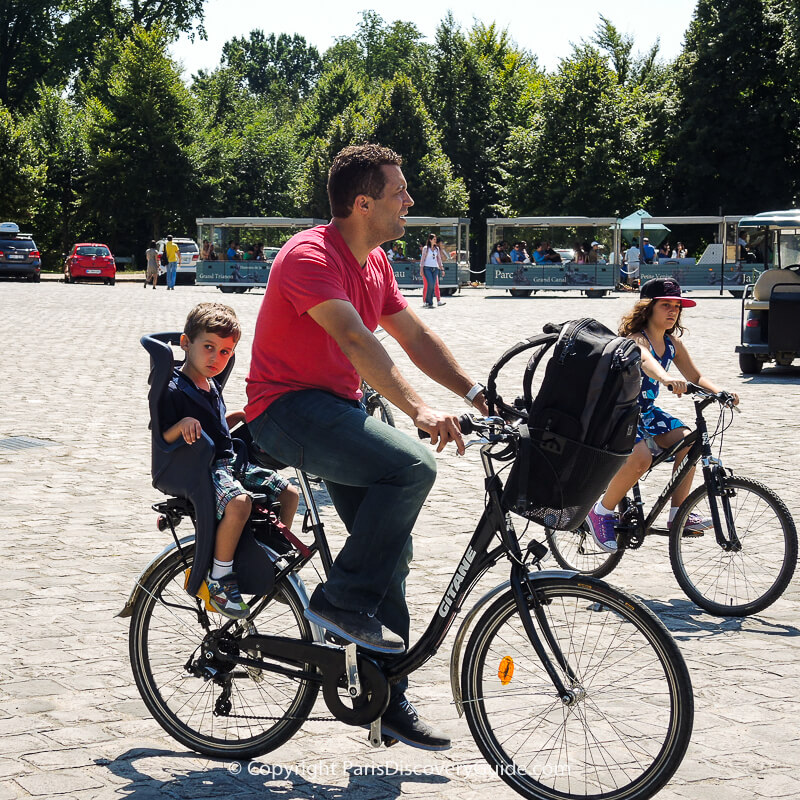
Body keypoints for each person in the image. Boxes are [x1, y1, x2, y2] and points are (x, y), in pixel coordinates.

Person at [245, 143, 489, 750]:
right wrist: (419, 410)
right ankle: (340, 599)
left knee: (392, 553)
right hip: (285, 410)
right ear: (362, 203)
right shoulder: (309, 255)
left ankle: (386, 696)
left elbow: (413, 335)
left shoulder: (375, 262)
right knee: (412, 466)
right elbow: (357, 341)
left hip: (336, 410)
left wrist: (475, 391)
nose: (409, 201)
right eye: (398, 192)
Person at [160, 302, 300, 618]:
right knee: (239, 503)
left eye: (225, 352)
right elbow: (162, 434)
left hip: (230, 461)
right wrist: (179, 427)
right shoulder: (174, 388)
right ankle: (219, 577)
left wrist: (241, 415)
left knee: (289, 492)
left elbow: (218, 425)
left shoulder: (210, 385)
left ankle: (271, 555)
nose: (216, 358)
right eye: (208, 347)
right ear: (186, 344)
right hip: (200, 469)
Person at [585, 279, 739, 552]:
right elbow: (646, 360)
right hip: (618, 413)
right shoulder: (635, 339)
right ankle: (601, 510)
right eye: (665, 305)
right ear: (648, 308)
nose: (673, 311)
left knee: (689, 442)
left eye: (677, 306)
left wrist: (720, 391)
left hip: (646, 412)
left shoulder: (672, 343)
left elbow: (696, 376)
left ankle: (679, 514)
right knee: (640, 458)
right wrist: (666, 378)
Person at [420, 233, 445, 308]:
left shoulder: (437, 249)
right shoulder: (425, 248)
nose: (435, 241)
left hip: (435, 268)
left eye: (435, 239)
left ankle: (430, 302)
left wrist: (442, 269)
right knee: (430, 284)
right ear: (430, 240)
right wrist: (421, 269)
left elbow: (439, 259)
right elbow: (422, 260)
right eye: (434, 239)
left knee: (433, 285)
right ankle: (428, 301)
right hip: (427, 268)